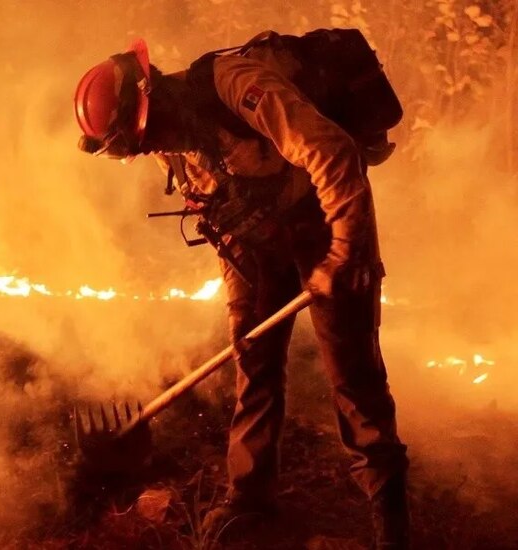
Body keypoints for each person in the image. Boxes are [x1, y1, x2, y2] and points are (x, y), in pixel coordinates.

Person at [73, 35, 409, 548]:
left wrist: (344, 253)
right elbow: (221, 221)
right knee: (253, 361)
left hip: (326, 221)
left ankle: (390, 521)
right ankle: (250, 499)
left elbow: (332, 151)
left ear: (152, 98)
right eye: (134, 147)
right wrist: (240, 309)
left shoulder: (236, 85)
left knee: (354, 378)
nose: (148, 147)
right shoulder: (171, 148)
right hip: (262, 243)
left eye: (140, 136)